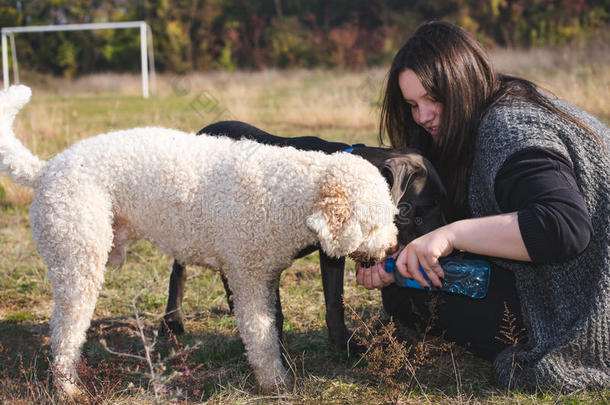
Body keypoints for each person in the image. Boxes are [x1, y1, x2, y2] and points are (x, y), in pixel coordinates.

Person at [355, 21, 609, 391]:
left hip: (590, 304)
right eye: (412, 104)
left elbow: (564, 227)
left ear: (461, 85)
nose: (422, 116)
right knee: (404, 284)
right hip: (559, 282)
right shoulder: (482, 112)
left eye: (433, 99)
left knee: (407, 297)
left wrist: (451, 236)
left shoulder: (510, 130)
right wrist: (395, 257)